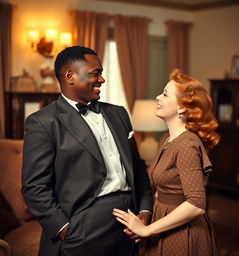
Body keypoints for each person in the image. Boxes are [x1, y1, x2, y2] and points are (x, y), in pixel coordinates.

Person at [21, 46, 152, 256]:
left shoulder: (119, 114)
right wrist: (66, 230)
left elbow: (137, 168)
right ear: (70, 76)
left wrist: (145, 211)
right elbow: (34, 188)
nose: (102, 80)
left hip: (130, 220)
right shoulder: (43, 122)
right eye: (96, 73)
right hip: (83, 226)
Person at [113, 69, 220, 256]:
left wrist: (146, 230)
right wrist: (146, 223)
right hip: (163, 223)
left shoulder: (186, 144)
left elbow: (196, 204)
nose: (157, 97)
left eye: (164, 94)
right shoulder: (166, 138)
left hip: (184, 233)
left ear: (182, 107)